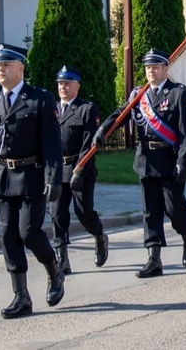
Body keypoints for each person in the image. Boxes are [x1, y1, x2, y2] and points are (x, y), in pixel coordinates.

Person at [0, 43, 65, 319]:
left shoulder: (40, 100)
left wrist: (55, 179)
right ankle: (21, 296)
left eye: (6, 65)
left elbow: (52, 146)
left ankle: (53, 269)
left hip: (32, 176)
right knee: (8, 236)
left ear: (21, 67)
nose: (1, 70)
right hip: (3, 178)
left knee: (28, 232)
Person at [95, 49, 186, 278]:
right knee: (150, 212)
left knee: (174, 210)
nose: (150, 71)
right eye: (147, 67)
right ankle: (154, 258)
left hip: (170, 160)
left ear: (165, 69)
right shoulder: (138, 95)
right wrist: (103, 130)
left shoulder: (179, 93)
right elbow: (121, 114)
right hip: (146, 161)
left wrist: (183, 161)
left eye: (155, 67)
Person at [51, 66, 108, 274]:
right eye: (60, 84)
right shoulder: (53, 110)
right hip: (58, 170)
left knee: (83, 212)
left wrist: (79, 170)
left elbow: (89, 144)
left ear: (77, 86)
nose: (63, 87)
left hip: (80, 169)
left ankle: (100, 235)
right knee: (57, 214)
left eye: (67, 83)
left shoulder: (86, 109)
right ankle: (61, 259)